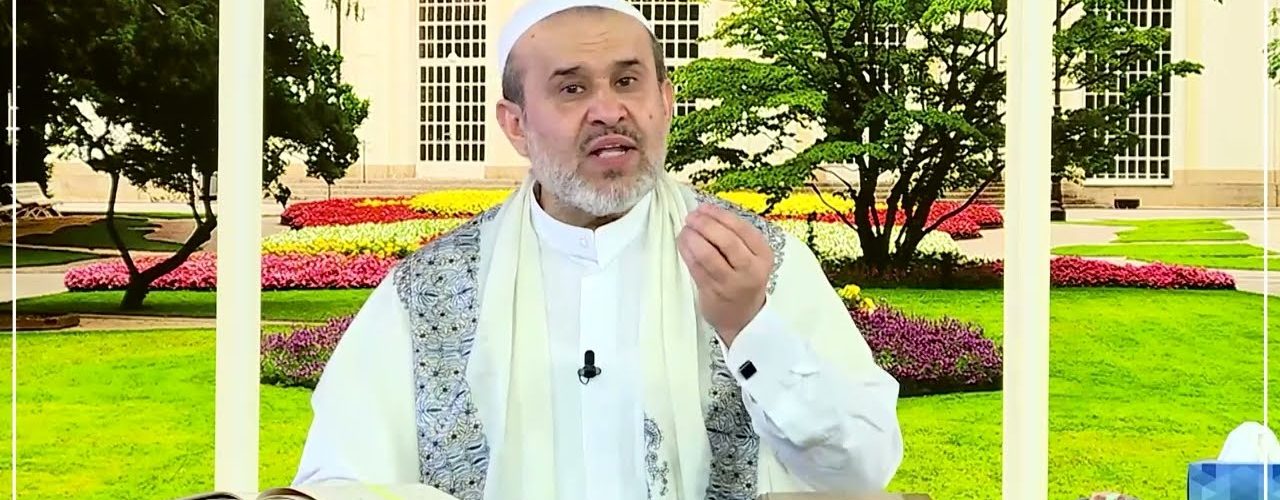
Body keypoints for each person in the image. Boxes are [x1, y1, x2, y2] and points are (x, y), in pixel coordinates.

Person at [291, 0, 904, 498]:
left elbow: (862, 470)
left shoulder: (755, 262)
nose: (608, 111)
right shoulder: (432, 291)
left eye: (628, 81)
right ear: (514, 125)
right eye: (572, 88)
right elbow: (340, 480)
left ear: (665, 101)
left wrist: (750, 328)